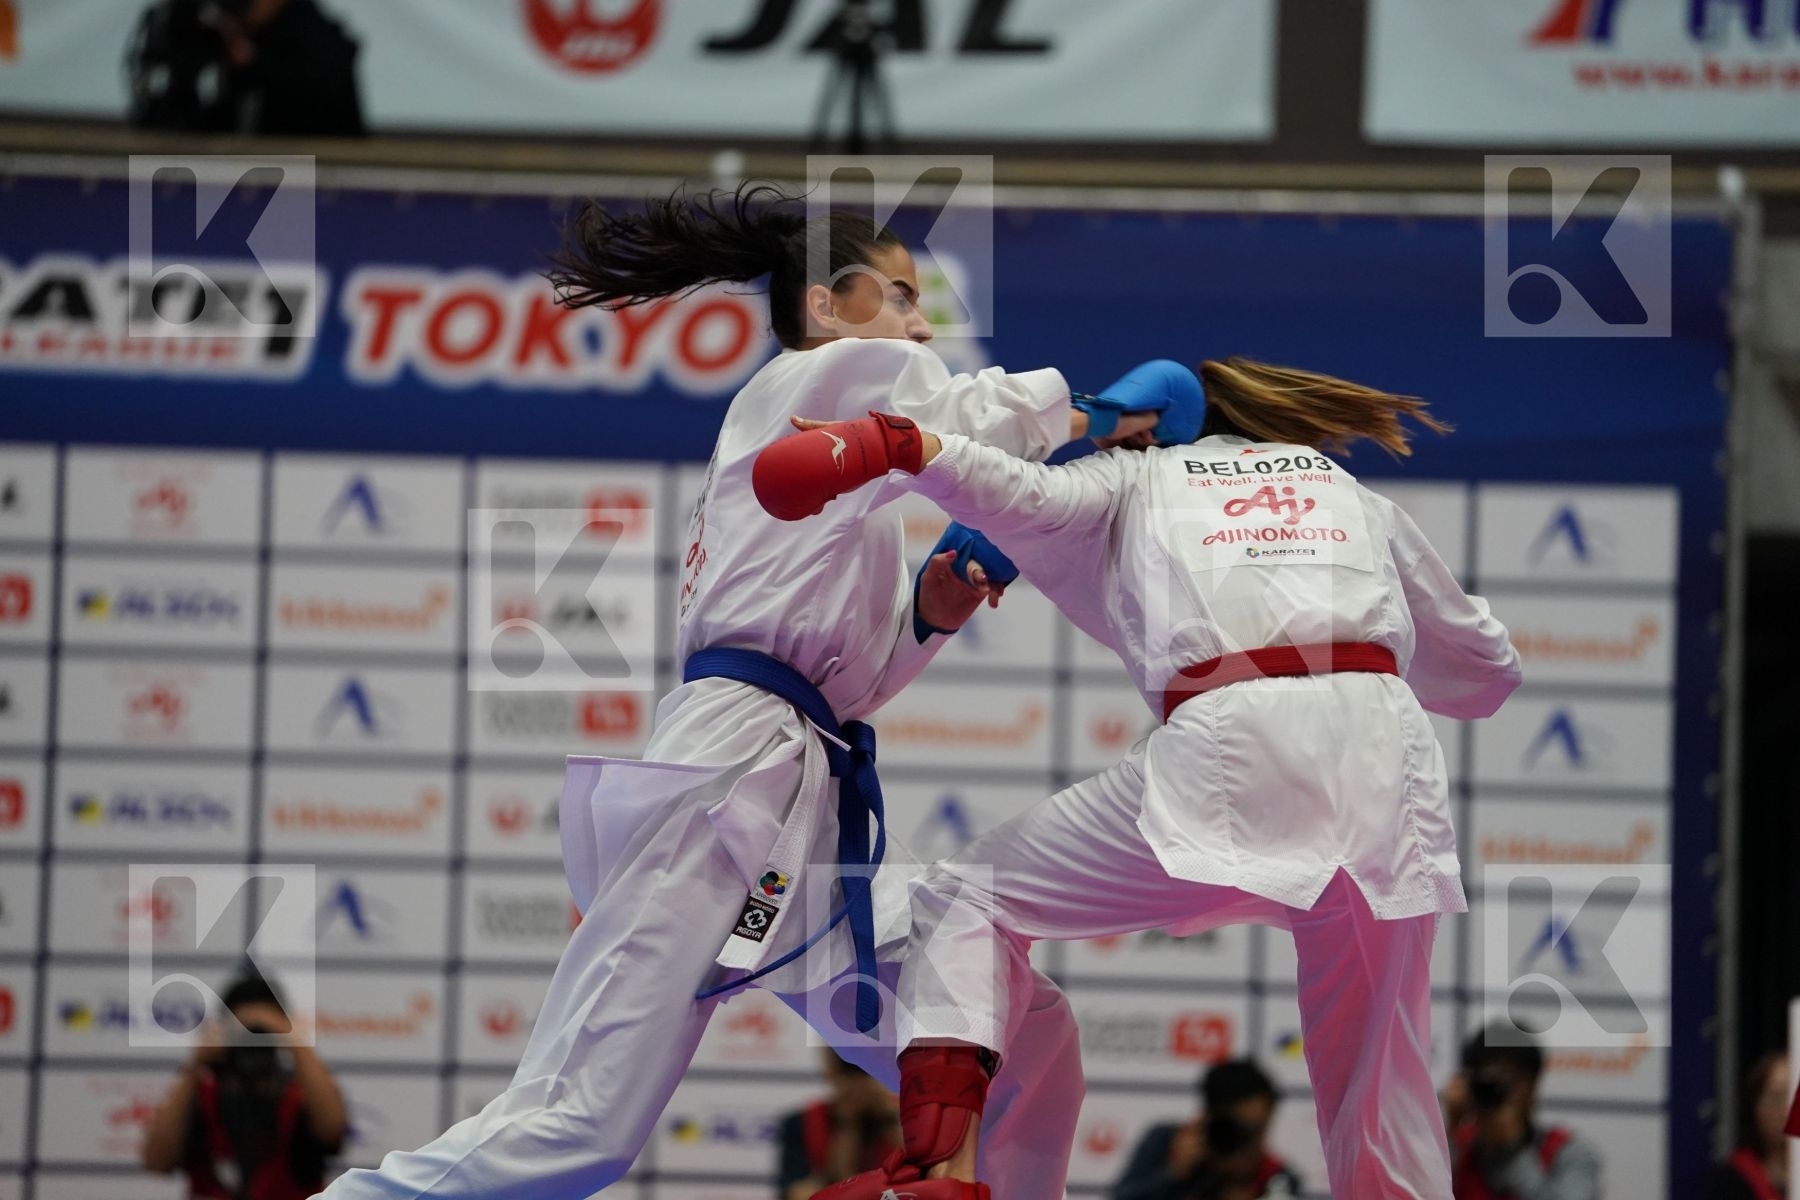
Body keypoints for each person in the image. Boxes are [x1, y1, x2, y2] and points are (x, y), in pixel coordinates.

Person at [314, 183, 1197, 1200]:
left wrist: (935, 604)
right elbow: (963, 425)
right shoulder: (825, 372)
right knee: (575, 1129)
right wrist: (1101, 412)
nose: (921, 324)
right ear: (827, 305)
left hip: (790, 823)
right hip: (721, 796)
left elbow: (844, 682)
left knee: (1025, 1040)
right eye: (902, 296)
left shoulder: (836, 472)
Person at [757, 356, 1523, 1199]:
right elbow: (1490, 670)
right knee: (1383, 1093)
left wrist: (889, 444)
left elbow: (1009, 489)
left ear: (1154, 423)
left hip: (1235, 745)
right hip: (1387, 758)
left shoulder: (1134, 474)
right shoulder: (1348, 493)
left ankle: (946, 1168)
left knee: (968, 896)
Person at [140, 972, 347, 1200]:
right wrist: (195, 1064)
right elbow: (156, 1160)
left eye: (260, 1034)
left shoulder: (299, 1095)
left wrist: (295, 1042)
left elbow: (332, 1130)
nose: (252, 1042)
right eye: (243, 1033)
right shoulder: (203, 1094)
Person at [1441, 1024, 1601, 1200]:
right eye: (1488, 1083)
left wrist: (1512, 1149)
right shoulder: (1459, 1146)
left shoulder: (1568, 1153)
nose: (1497, 1093)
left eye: (1509, 1081)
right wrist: (1448, 1130)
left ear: (1533, 1086)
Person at [1111, 1059, 1303, 1200]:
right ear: (1208, 1117)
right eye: (1236, 1128)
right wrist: (1173, 1174)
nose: (1246, 1142)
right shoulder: (1168, 1143)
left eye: (1258, 1129)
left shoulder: (1277, 1176)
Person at [778, 1050, 903, 1200]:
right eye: (849, 1071)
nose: (858, 1084)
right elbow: (797, 1194)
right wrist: (847, 1126)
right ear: (831, 1072)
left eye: (867, 1072)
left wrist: (890, 1119)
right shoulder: (804, 1122)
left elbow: (927, 1175)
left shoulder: (905, 1118)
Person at [1703, 1051, 1792, 1200]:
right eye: (1776, 1098)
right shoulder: (1733, 1180)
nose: (1787, 1109)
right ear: (1755, 1107)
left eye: (1794, 1097)